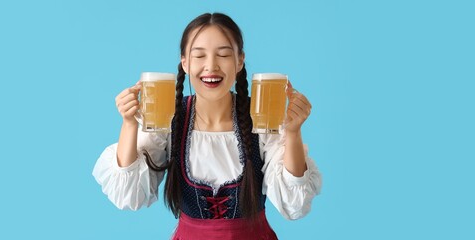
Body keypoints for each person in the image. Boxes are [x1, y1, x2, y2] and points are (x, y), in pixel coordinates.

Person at [93, 12, 322, 240]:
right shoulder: (167, 116)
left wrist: (292, 132)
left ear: (240, 61)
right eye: (199, 56)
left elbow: (295, 205)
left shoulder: (262, 117)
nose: (211, 66)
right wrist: (129, 123)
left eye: (223, 54)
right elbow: (130, 196)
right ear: (184, 63)